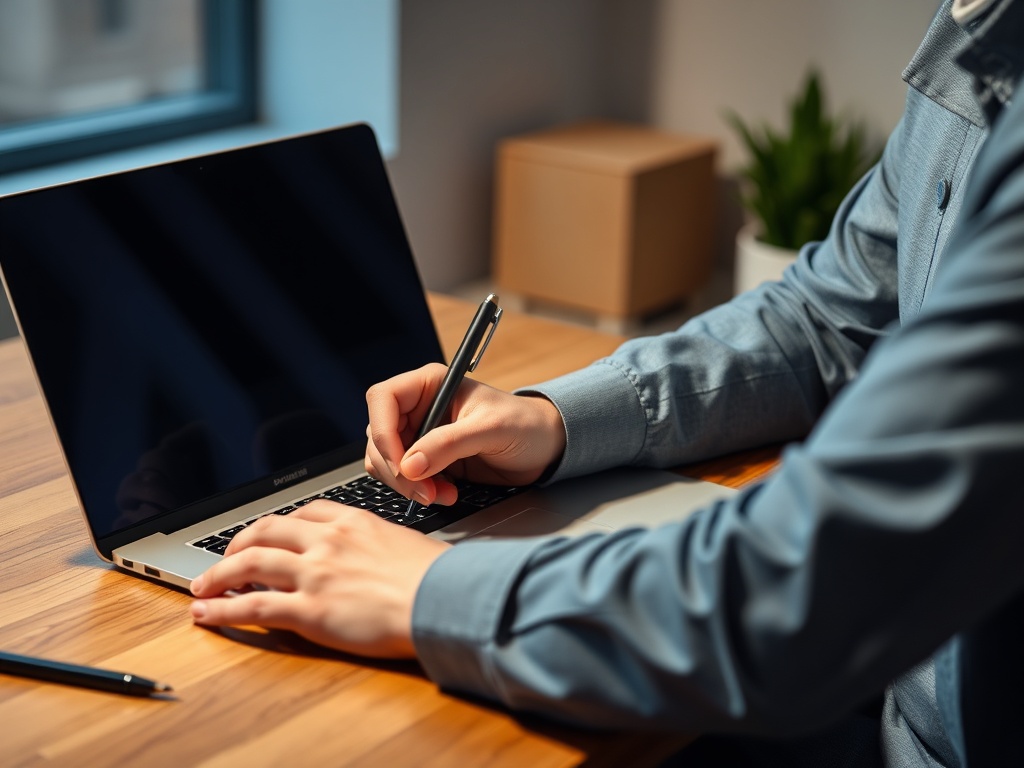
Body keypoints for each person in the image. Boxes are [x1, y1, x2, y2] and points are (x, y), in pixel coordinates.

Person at [188, 1, 1024, 765]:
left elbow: (793, 593)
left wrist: (429, 592)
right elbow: (829, 316)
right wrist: (553, 421)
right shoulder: (980, 31)